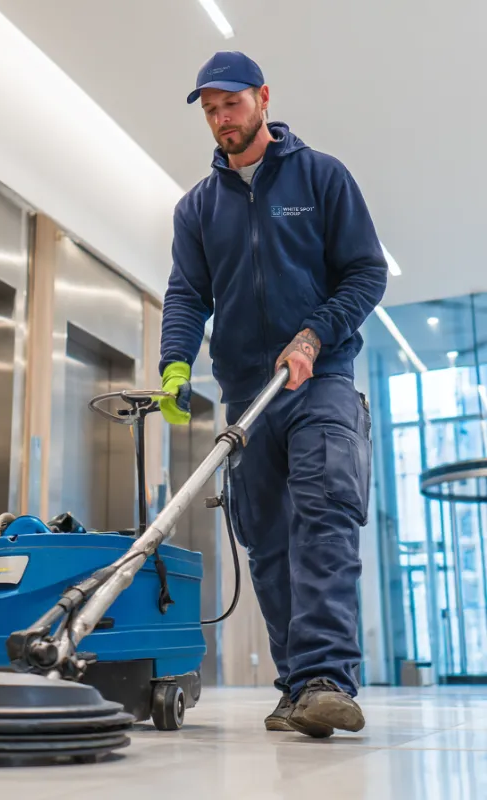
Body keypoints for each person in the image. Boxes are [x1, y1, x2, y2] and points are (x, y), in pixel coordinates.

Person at [158, 51, 387, 738]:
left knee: (322, 516)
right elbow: (187, 294)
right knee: (266, 540)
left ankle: (325, 677)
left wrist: (314, 336)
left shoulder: (321, 177)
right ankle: (297, 687)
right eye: (209, 110)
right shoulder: (198, 207)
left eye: (230, 103)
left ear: (262, 98)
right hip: (247, 395)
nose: (220, 119)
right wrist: (174, 362)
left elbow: (366, 273)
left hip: (321, 382)